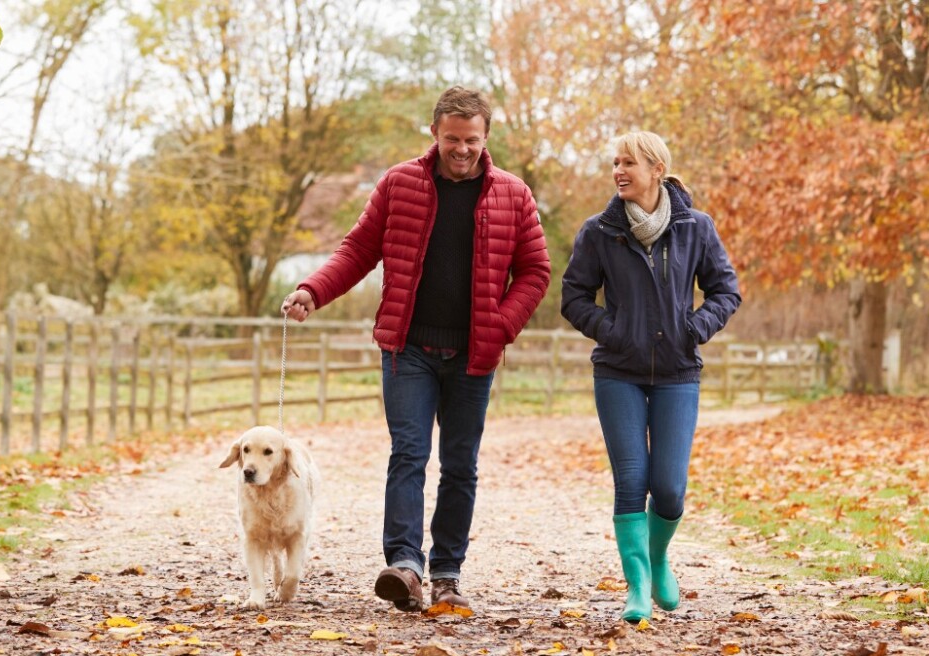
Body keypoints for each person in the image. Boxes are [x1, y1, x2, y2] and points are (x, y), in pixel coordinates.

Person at [281, 86, 551, 612]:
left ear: (486, 137)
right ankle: (405, 566)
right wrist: (312, 291)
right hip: (408, 348)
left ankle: (447, 571)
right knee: (409, 452)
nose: (462, 149)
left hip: (475, 353)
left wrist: (501, 325)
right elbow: (358, 249)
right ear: (434, 133)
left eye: (472, 139)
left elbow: (536, 271)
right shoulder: (399, 183)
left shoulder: (513, 194)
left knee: (460, 463)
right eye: (452, 138)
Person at [560, 131, 741, 622]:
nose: (619, 171)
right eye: (615, 163)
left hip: (679, 373)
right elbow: (573, 297)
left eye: (630, 163)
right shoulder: (599, 231)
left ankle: (658, 558)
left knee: (669, 487)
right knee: (631, 479)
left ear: (657, 169)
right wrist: (610, 330)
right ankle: (637, 584)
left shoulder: (695, 228)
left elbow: (726, 291)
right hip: (618, 372)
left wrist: (694, 327)